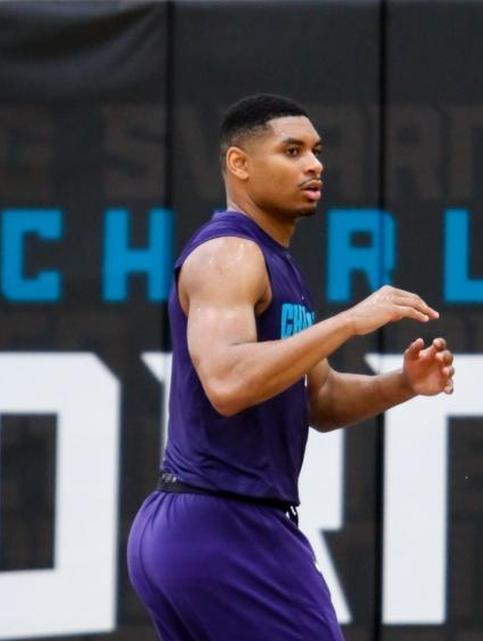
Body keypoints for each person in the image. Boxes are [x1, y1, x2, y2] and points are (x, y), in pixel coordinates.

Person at [126, 94, 455, 641]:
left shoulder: (279, 264)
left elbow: (318, 401)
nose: (314, 164)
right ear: (240, 164)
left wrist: (403, 384)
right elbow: (227, 383)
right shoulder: (230, 254)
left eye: (317, 151)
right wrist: (351, 320)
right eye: (293, 150)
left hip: (202, 526)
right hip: (226, 525)